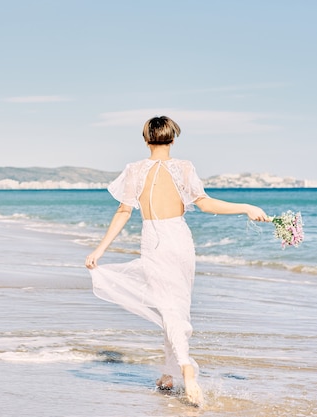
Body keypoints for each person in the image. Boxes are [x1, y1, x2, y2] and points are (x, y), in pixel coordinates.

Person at [85, 116, 268, 406]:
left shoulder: (134, 170)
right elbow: (205, 204)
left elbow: (123, 212)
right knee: (175, 307)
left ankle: (179, 368)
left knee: (169, 307)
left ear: (146, 139)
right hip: (181, 242)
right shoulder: (184, 168)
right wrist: (245, 207)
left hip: (154, 241)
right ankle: (175, 372)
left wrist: (99, 250)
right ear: (173, 139)